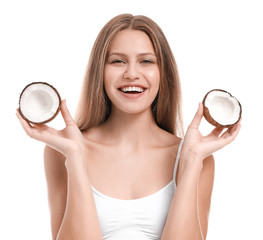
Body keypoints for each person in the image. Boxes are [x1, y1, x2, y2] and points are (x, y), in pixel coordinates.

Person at [16, 14, 241, 240]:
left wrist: (192, 160)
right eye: (117, 61)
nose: (132, 73)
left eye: (146, 61)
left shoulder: (198, 158)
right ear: (100, 72)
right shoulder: (61, 152)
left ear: (163, 73)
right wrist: (75, 157)